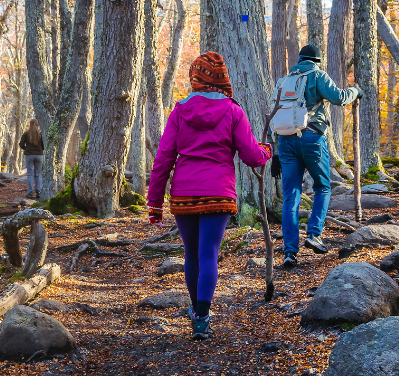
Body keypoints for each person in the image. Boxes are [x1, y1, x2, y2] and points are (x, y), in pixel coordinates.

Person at [147, 52, 272, 340]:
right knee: (209, 255)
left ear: (195, 78)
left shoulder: (180, 110)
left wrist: (155, 202)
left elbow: (164, 157)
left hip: (184, 193)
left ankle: (195, 310)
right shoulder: (233, 111)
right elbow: (252, 156)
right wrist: (267, 150)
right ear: (222, 79)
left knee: (192, 254)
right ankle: (202, 318)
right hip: (219, 193)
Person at [275, 44, 363, 268]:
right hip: (311, 139)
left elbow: (273, 114)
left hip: (285, 141)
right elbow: (339, 98)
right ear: (318, 61)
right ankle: (314, 234)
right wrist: (355, 90)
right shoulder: (318, 75)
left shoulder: (284, 81)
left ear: (300, 59)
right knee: (322, 186)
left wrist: (275, 152)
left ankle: (289, 252)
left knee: (290, 196)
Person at [20, 118, 45, 199]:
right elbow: (43, 146)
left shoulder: (26, 133)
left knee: (30, 174)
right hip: (39, 156)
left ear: (30, 124)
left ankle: (30, 192)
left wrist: (26, 149)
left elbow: (21, 144)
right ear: (37, 124)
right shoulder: (40, 134)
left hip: (29, 155)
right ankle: (39, 192)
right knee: (38, 174)